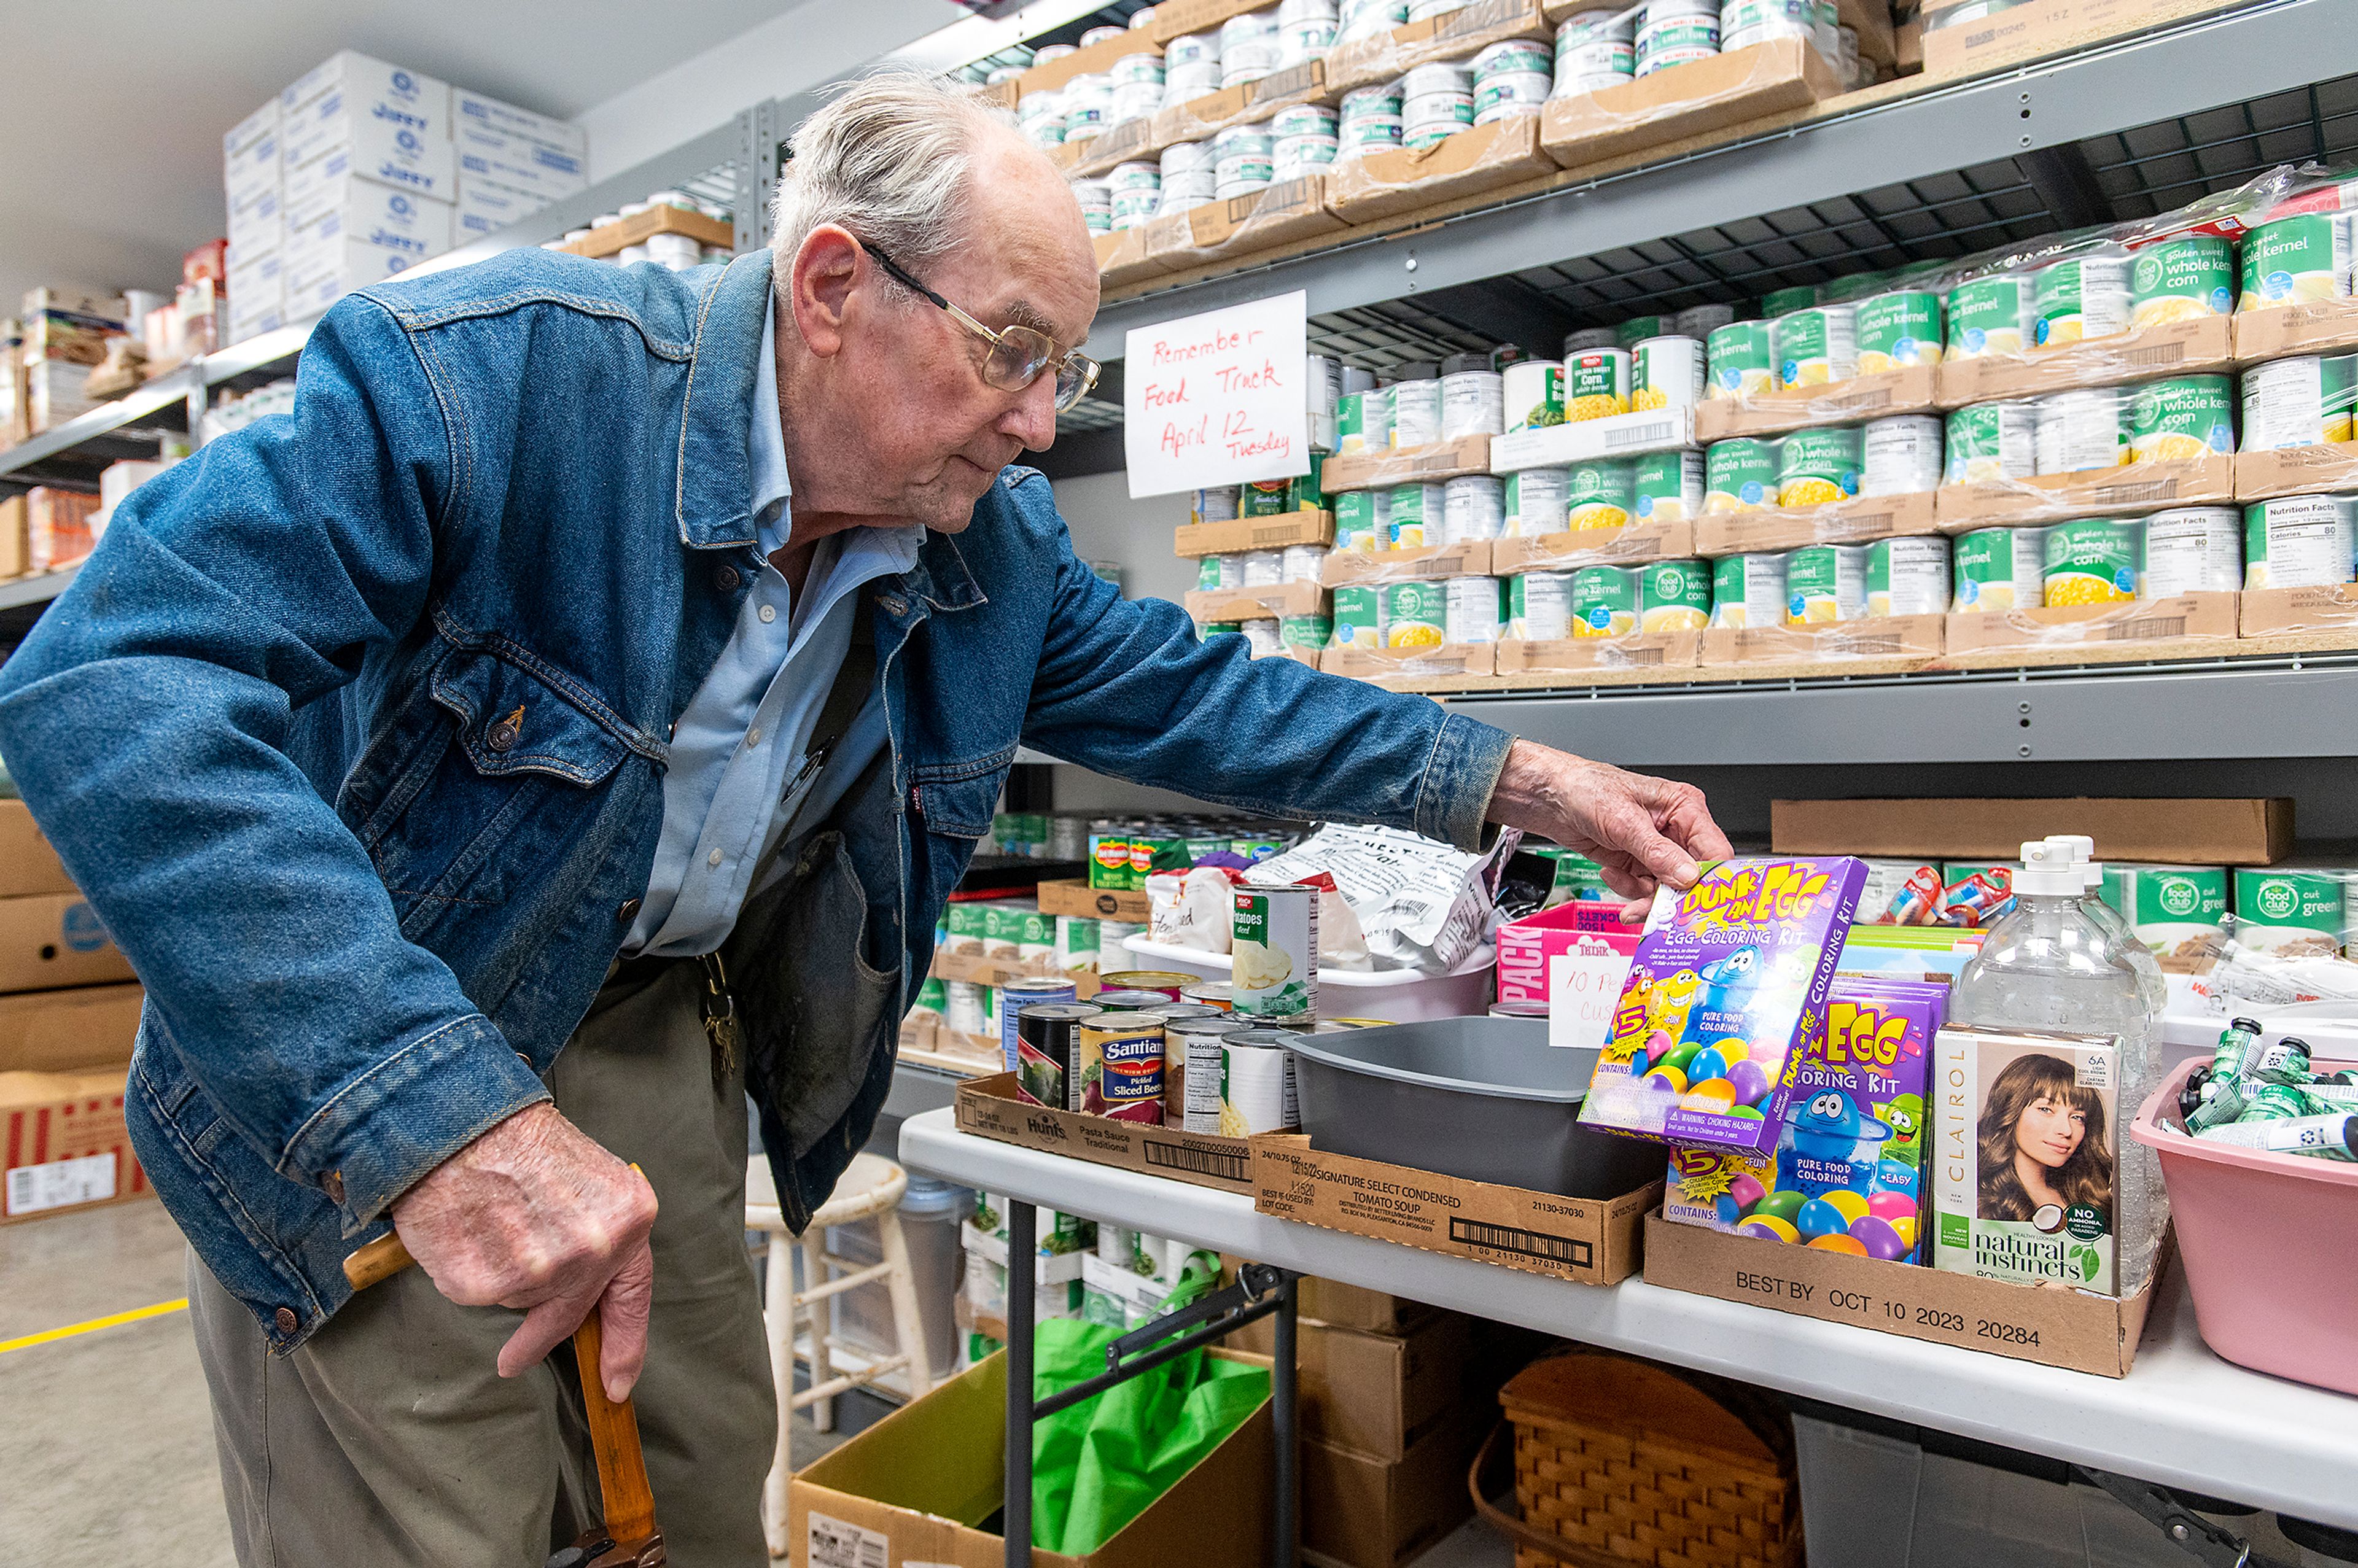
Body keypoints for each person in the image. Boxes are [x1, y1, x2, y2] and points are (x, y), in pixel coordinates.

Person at [0, 72, 1730, 1566]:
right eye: (1015, 352)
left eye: (1067, 367)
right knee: (435, 1517)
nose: (1046, 419)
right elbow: (108, 683)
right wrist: (439, 1116)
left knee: (693, 1509)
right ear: (833, 283)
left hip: (654, 1040)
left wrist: (1529, 781)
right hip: (370, 1031)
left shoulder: (985, 546)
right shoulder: (502, 382)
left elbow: (1213, 699)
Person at [1975, 1051, 2114, 1224]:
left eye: (2077, 1117)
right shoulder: (1979, 1200)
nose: (2066, 1130)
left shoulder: (2088, 1201)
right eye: (2046, 1110)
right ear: (2011, 1111)